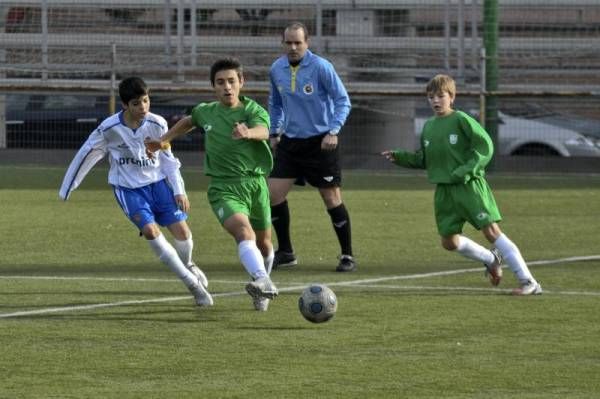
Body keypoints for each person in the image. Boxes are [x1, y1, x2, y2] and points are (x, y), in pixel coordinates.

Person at [59, 76, 213, 307]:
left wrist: (180, 190)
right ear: (125, 105)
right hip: (129, 189)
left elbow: (168, 159)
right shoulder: (109, 129)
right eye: (136, 103)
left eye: (146, 101)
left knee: (183, 233)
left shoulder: (158, 123)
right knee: (151, 231)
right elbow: (86, 154)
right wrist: (68, 187)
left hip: (159, 185)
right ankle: (192, 284)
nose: (143, 107)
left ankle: (188, 264)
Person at [382, 74, 542, 295]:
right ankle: (490, 258)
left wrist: (466, 171)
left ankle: (529, 282)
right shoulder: (429, 126)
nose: (435, 101)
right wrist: (401, 157)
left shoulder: (461, 120)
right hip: (444, 191)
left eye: (440, 96)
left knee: (492, 232)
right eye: (431, 97)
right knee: (449, 242)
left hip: (469, 187)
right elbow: (426, 159)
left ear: (451, 97)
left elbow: (485, 147)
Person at [145, 58, 278, 311]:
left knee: (265, 244)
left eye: (231, 81)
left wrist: (248, 133)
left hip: (255, 185)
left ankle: (261, 284)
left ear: (241, 82)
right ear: (213, 87)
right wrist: (164, 139)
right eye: (220, 82)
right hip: (223, 187)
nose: (227, 87)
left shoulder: (252, 110)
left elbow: (263, 130)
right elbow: (190, 120)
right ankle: (262, 280)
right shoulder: (206, 111)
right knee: (243, 232)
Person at [268, 22, 355, 272]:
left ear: (307, 43)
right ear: (282, 43)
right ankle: (286, 252)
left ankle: (347, 255)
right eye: (289, 42)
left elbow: (343, 101)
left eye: (298, 42)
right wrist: (275, 131)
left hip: (321, 143)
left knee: (331, 197)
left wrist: (333, 130)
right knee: (273, 194)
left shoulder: (321, 67)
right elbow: (276, 104)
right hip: (291, 143)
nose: (293, 47)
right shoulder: (276, 69)